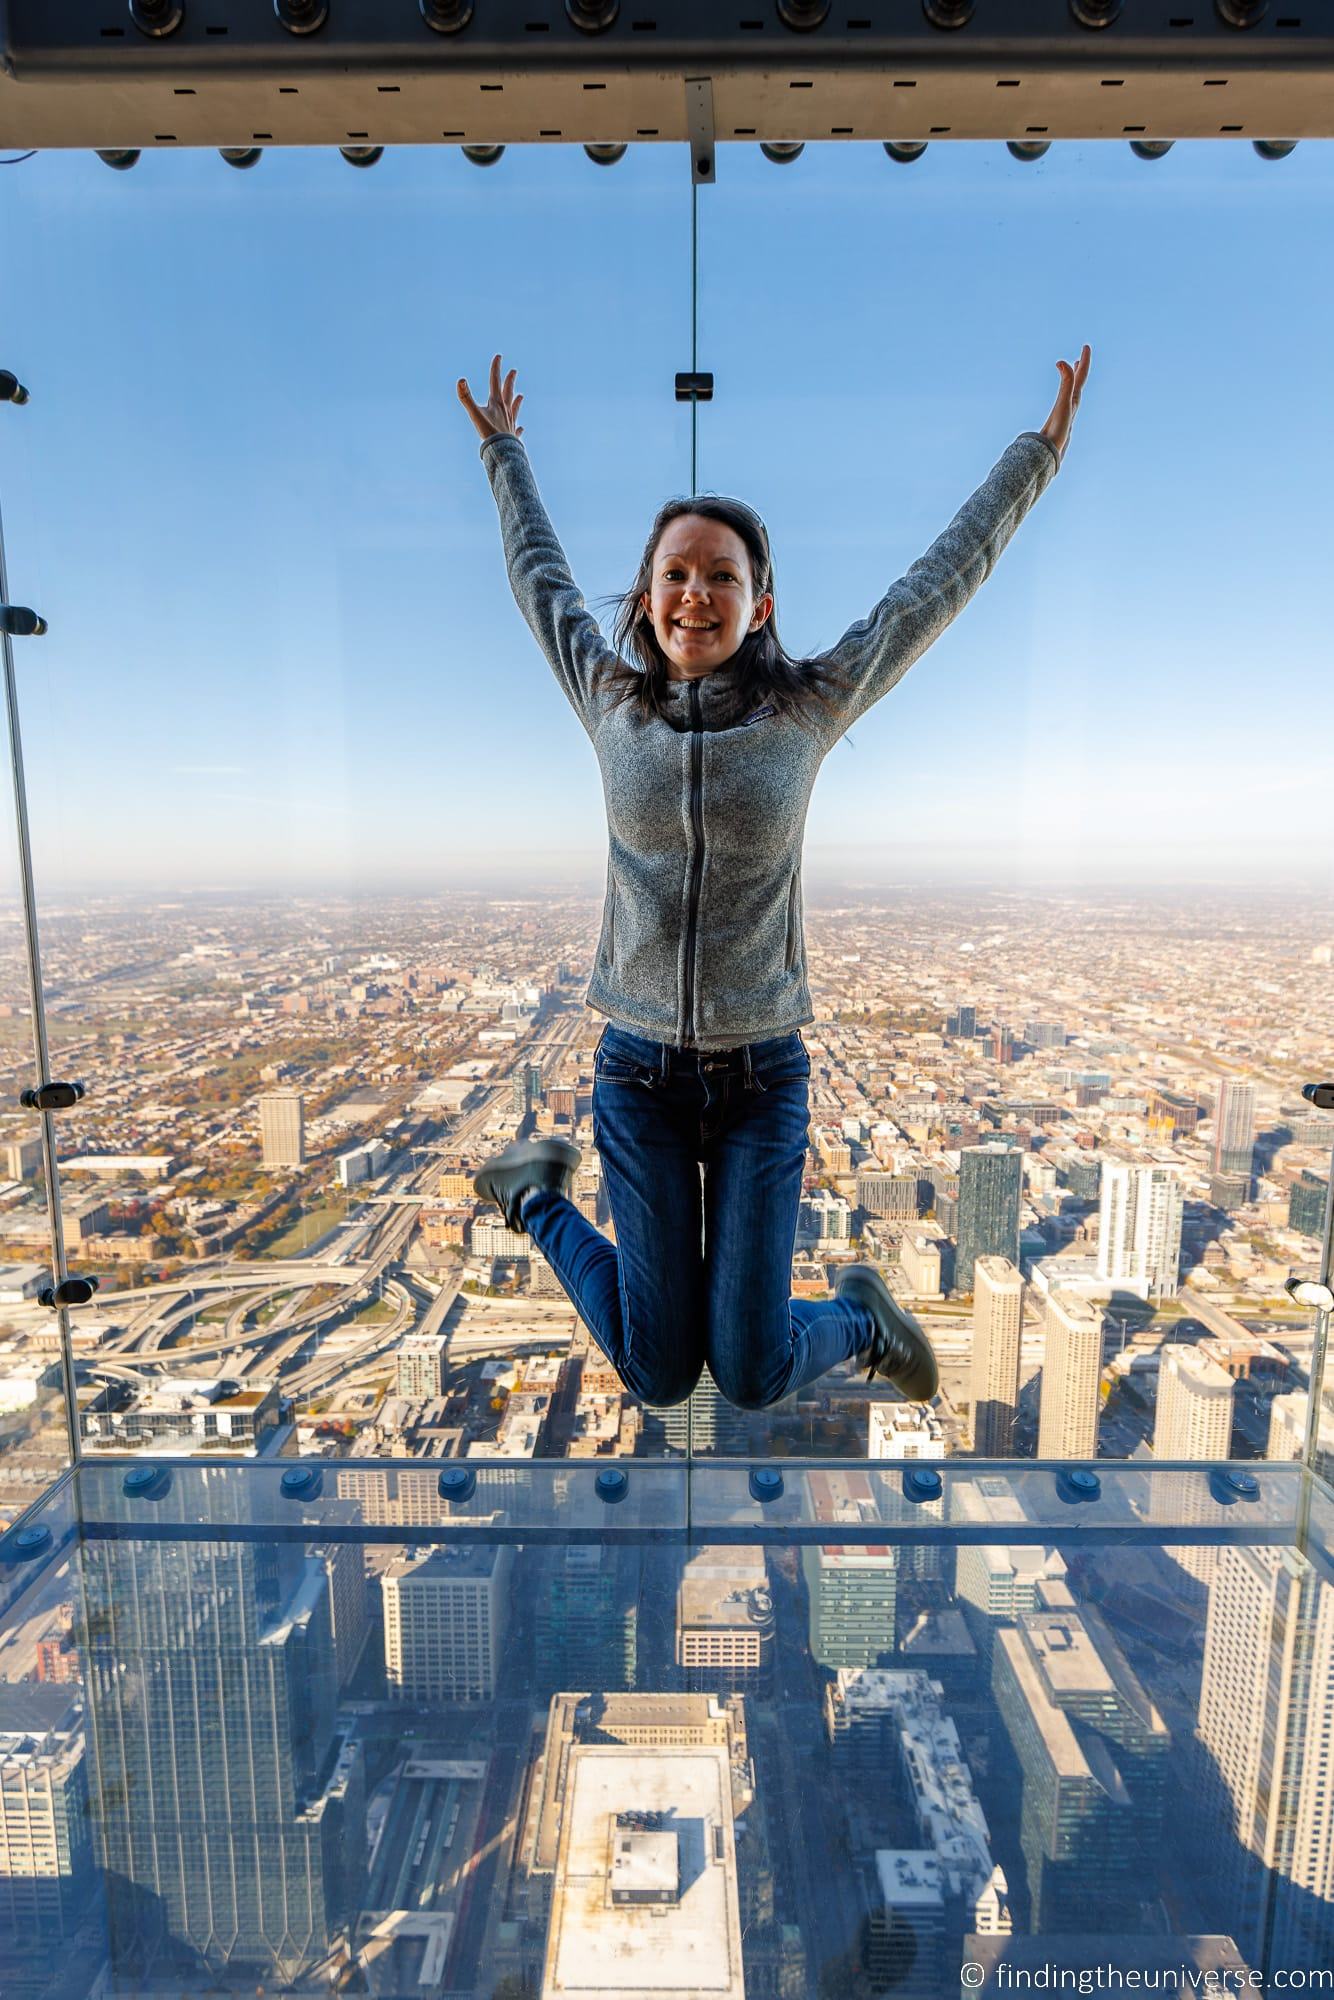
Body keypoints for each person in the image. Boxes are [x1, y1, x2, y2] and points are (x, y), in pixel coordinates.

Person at [456, 346, 1090, 1413]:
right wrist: (504, 453)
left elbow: (932, 583)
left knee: (747, 1372)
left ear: (758, 604)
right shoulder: (608, 699)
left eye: (720, 576)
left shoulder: (806, 705)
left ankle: (859, 1319)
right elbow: (539, 577)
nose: (694, 592)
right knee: (658, 1371)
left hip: (759, 1077)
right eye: (674, 572)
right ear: (647, 594)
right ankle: (533, 1196)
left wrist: (1035, 457)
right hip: (638, 1074)